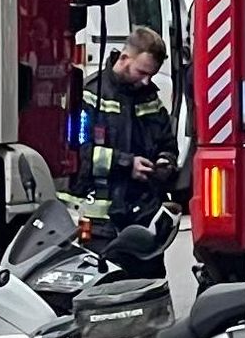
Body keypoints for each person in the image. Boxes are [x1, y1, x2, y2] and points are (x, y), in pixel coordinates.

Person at [72, 28, 178, 233]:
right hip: (101, 221)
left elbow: (167, 143)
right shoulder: (89, 95)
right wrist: (128, 164)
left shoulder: (150, 100)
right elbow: (79, 151)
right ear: (123, 58)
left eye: (152, 75)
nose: (146, 81)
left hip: (144, 215)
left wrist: (165, 161)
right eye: (142, 72)